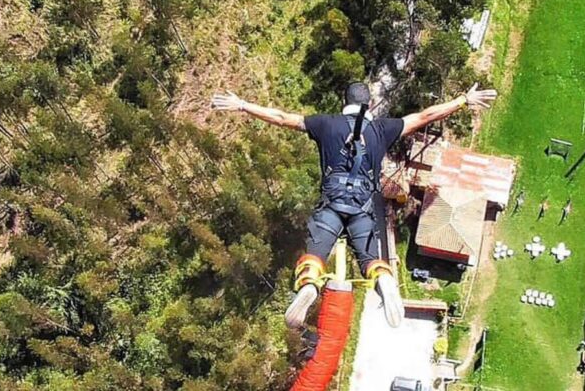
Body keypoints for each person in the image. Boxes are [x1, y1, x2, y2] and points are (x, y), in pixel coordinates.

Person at [210, 82, 496, 329]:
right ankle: (382, 279)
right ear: (369, 103)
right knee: (370, 258)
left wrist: (243, 105)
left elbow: (283, 117)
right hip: (363, 207)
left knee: (316, 253)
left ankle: (310, 283)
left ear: (343, 102)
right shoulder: (383, 128)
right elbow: (424, 116)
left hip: (331, 205)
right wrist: (463, 101)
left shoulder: (324, 124)